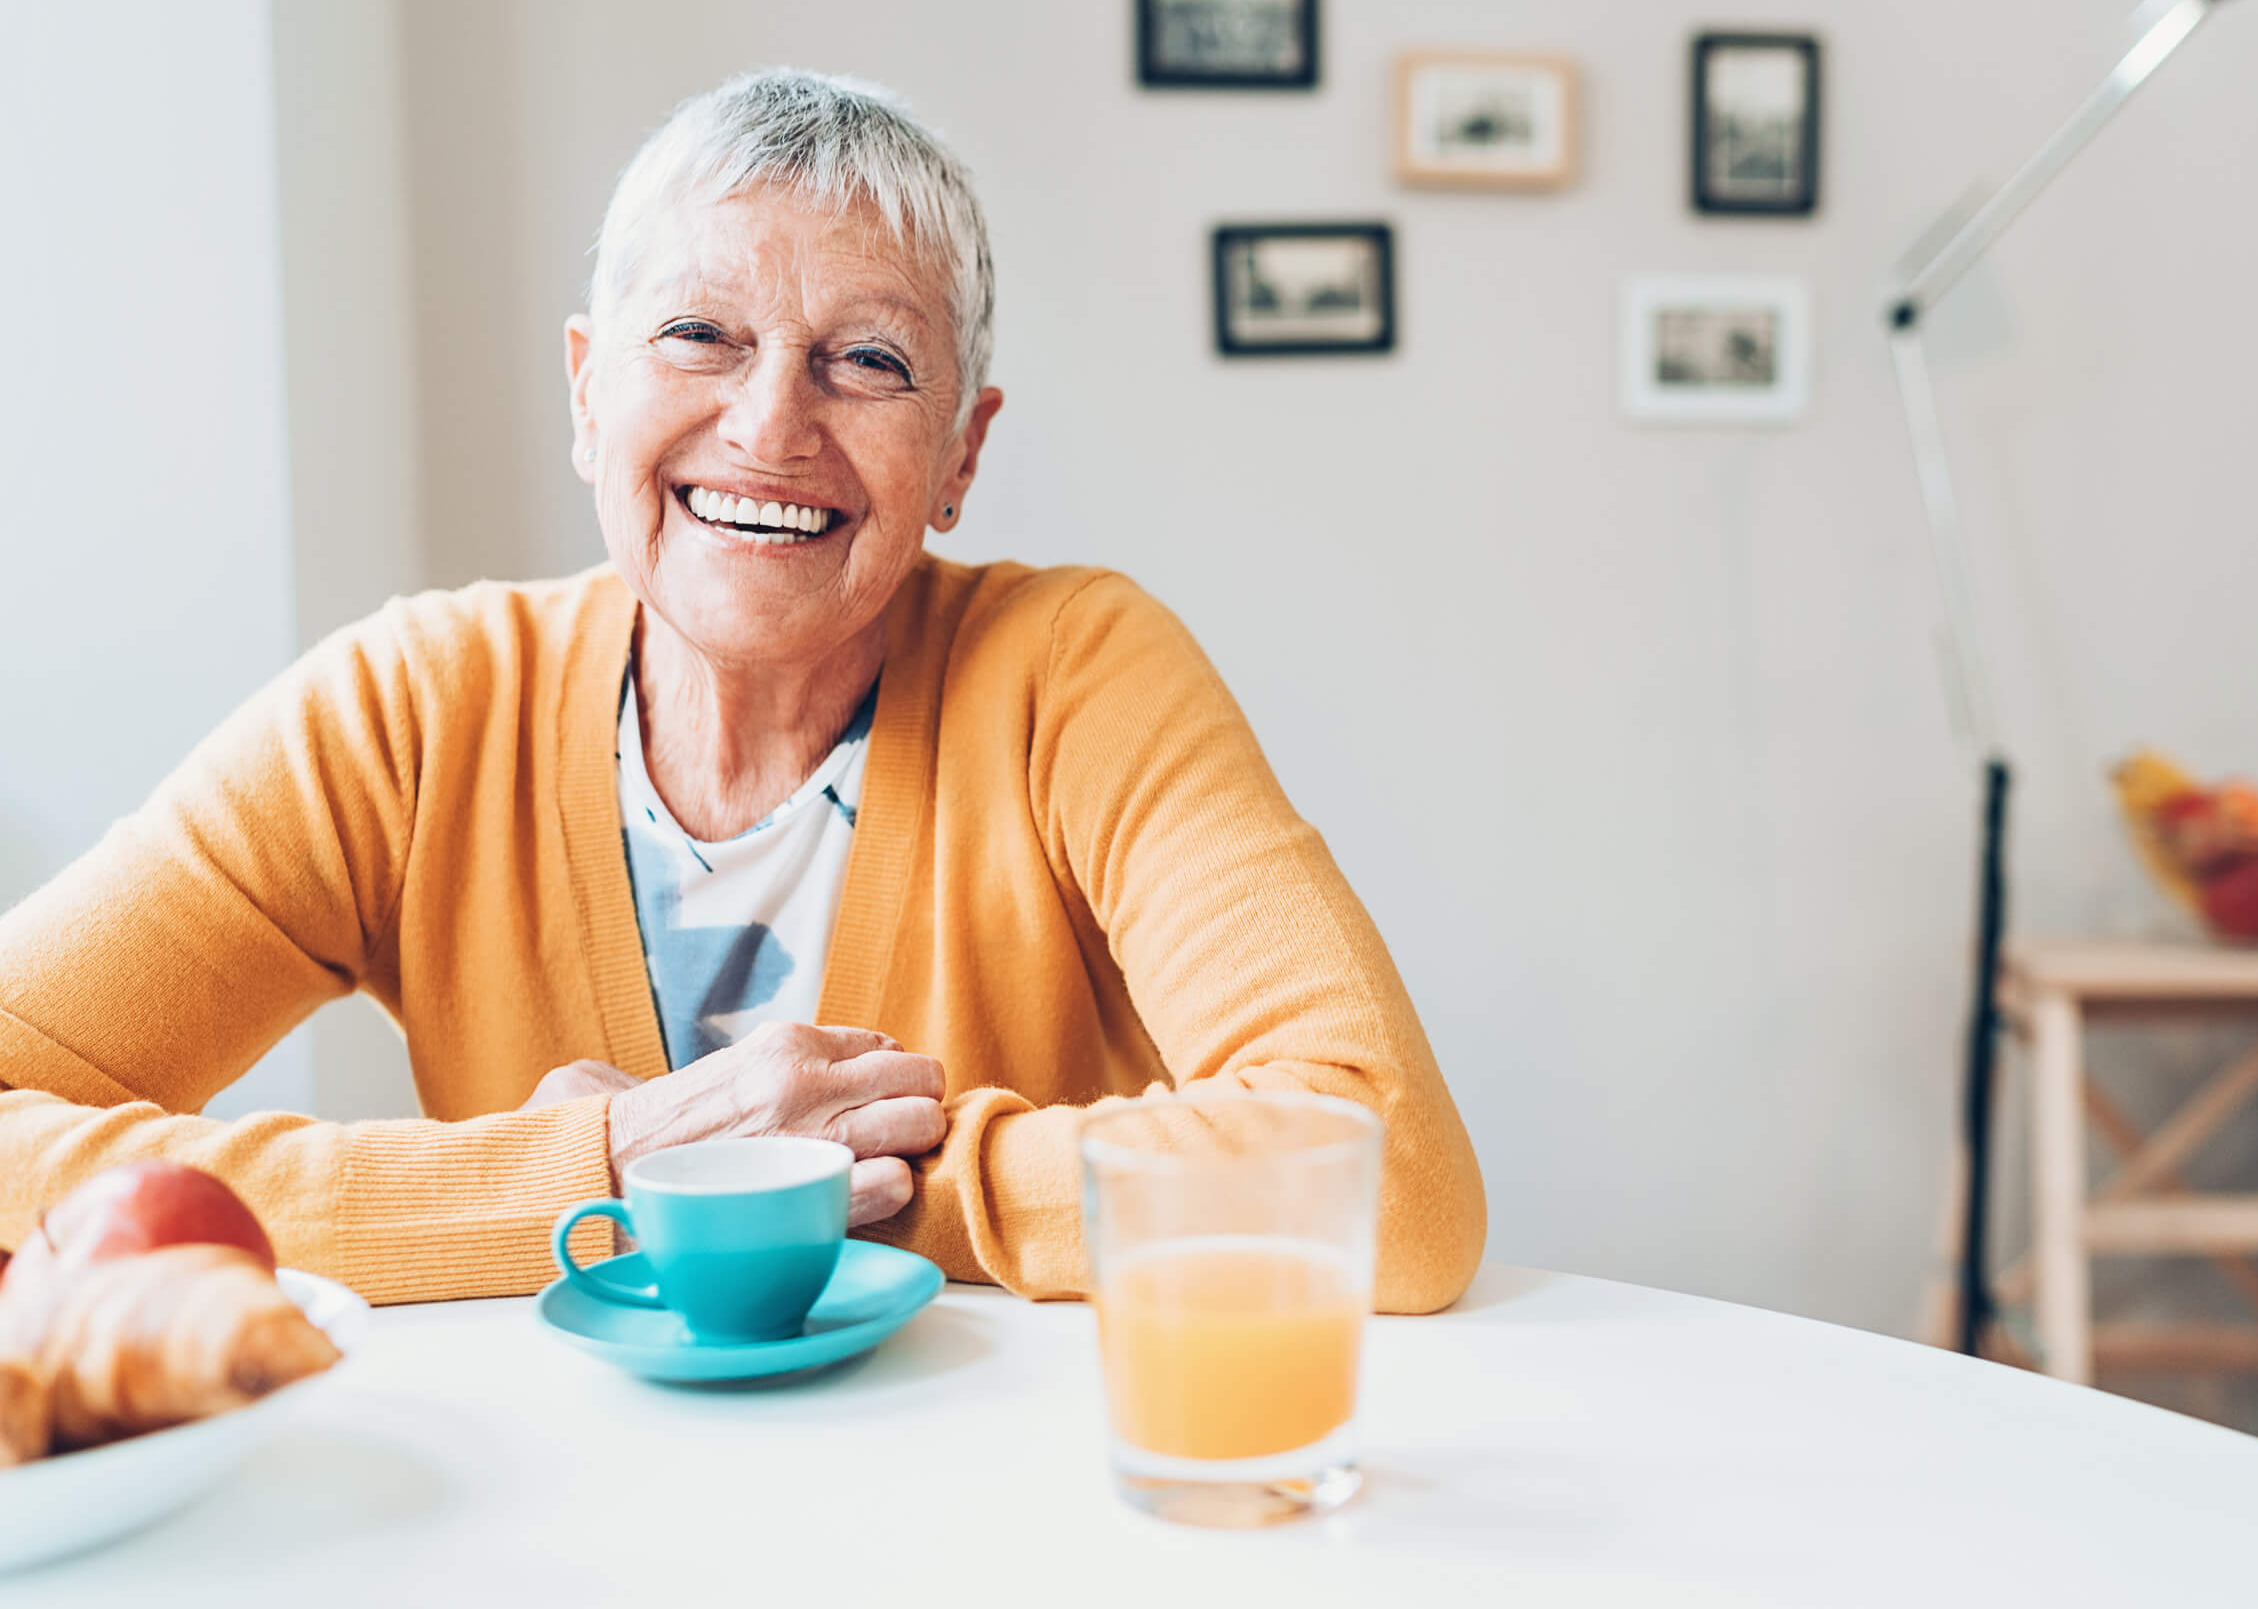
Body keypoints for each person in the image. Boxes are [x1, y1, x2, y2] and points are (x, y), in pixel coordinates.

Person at [0, 69, 1485, 1313]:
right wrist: (583, 1171)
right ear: (589, 393)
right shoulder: (416, 708)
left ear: (961, 455)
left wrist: (788, 1185)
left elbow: (1391, 1177)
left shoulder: (1071, 674)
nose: (772, 424)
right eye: (700, 335)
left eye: (868, 360)